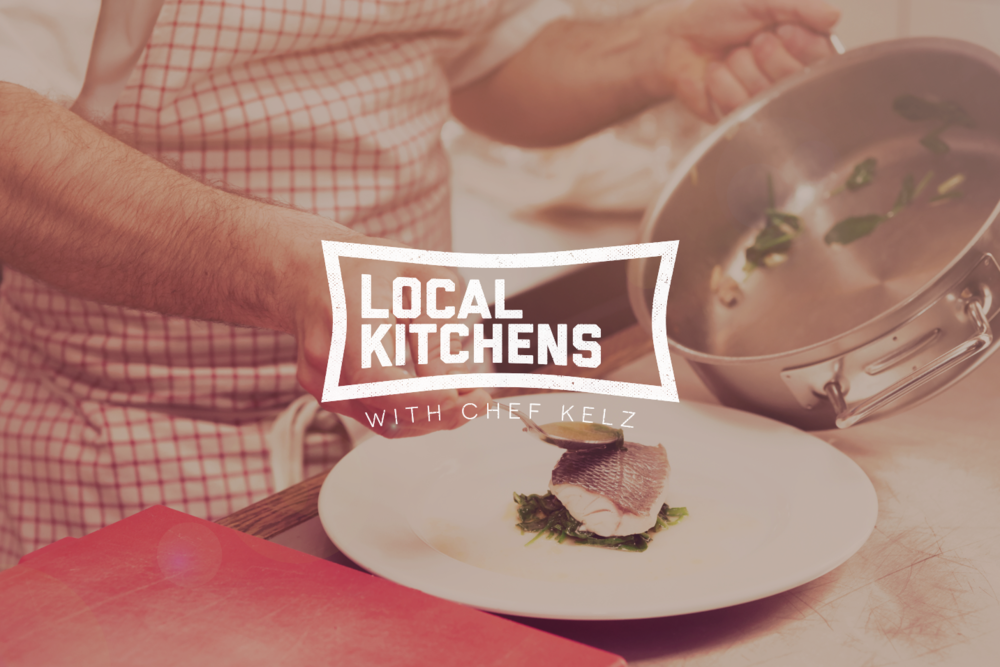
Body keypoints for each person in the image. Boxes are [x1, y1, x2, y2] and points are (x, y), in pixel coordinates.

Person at [0, 0, 840, 568]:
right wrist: (281, 269)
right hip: (133, 460)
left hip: (414, 446)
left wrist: (651, 48)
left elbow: (479, 59)